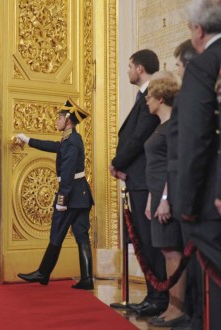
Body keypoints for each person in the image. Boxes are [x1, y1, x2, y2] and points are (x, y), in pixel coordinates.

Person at [110, 49, 168, 316]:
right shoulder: (143, 96)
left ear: (141, 68)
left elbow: (138, 138)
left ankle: (158, 298)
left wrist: (117, 162)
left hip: (146, 179)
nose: (128, 71)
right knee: (142, 242)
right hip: (137, 178)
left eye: (130, 66)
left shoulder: (150, 96)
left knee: (148, 240)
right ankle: (150, 295)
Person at [16, 97, 94, 290]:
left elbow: (67, 172)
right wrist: (28, 140)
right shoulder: (71, 139)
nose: (56, 121)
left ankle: (43, 273)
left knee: (56, 234)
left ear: (68, 120)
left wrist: (62, 199)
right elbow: (53, 147)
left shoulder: (71, 141)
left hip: (70, 197)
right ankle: (87, 278)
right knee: (81, 235)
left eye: (59, 118)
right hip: (81, 196)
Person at [177, 1, 221, 328]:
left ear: (198, 30)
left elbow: (195, 140)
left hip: (213, 195)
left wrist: (188, 205)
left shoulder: (205, 66)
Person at [143, 74, 189, 328]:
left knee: (172, 251)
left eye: (149, 96)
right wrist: (152, 197)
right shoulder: (160, 126)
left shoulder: (173, 126)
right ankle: (171, 305)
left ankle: (177, 308)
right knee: (165, 251)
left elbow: (174, 166)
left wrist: (164, 199)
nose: (146, 100)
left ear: (160, 99)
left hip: (168, 197)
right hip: (158, 194)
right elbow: (155, 166)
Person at [167, 39, 201, 330]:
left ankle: (200, 316)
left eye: (178, 65)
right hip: (185, 187)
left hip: (194, 189)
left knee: (199, 258)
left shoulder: (194, 93)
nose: (176, 71)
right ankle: (193, 313)